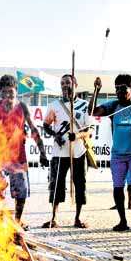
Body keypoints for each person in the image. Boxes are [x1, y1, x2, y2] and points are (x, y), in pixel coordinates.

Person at [93, 74, 131, 232]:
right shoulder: (113, 105)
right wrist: (96, 90)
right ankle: (122, 221)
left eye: (123, 88)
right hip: (118, 155)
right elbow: (93, 111)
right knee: (117, 188)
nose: (119, 92)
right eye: (117, 89)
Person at [0, 75, 49, 229]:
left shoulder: (22, 107)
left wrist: (42, 152)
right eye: (4, 93)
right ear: (0, 93)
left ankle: (17, 221)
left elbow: (34, 130)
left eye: (11, 92)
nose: (8, 96)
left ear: (16, 91)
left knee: (20, 193)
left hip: (18, 158)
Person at [42, 74, 92, 229]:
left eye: (68, 83)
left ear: (75, 84)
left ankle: (78, 217)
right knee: (56, 184)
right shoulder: (54, 105)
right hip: (59, 152)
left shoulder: (84, 105)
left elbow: (88, 130)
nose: (65, 85)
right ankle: (53, 217)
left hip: (78, 151)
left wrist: (76, 135)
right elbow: (46, 125)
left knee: (79, 183)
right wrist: (55, 135)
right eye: (62, 83)